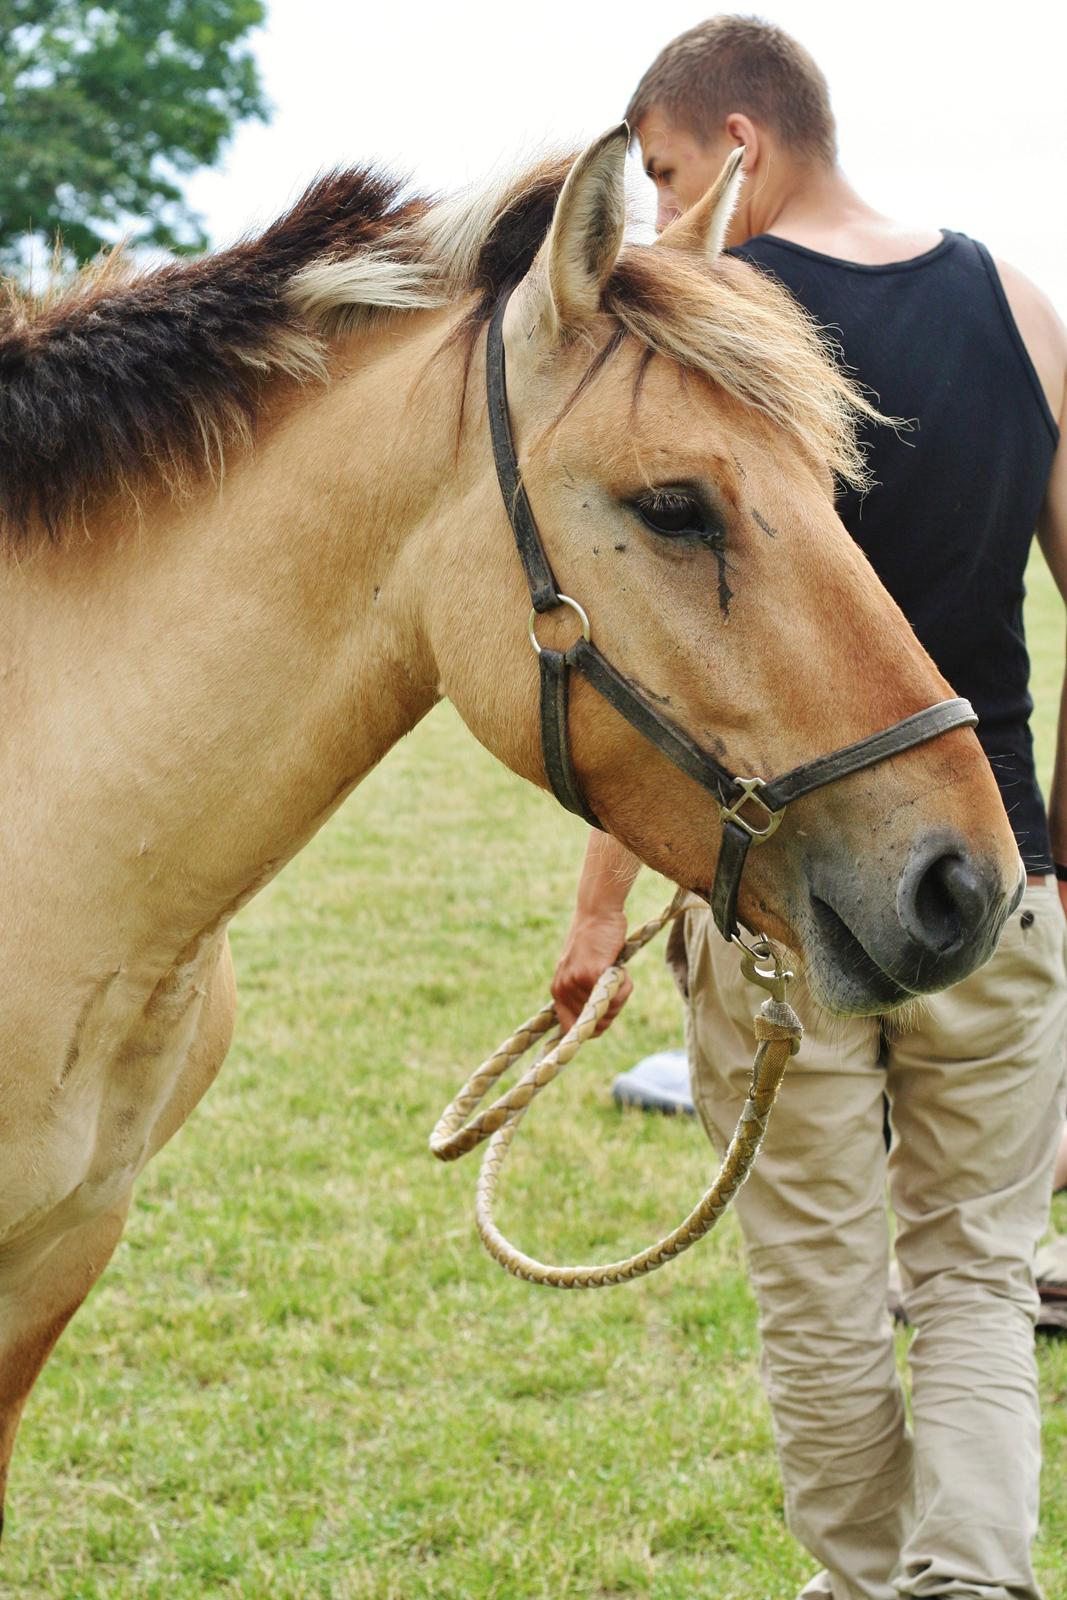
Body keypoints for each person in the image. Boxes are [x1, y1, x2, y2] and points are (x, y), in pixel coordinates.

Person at [552, 17, 1067, 1599]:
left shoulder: (719, 333)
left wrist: (590, 915)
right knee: (980, 1277)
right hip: (996, 880)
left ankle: (865, 1583)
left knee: (823, 1294)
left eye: (657, 173)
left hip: (781, 901)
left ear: (739, 146)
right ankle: (966, 1581)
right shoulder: (1023, 307)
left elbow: (683, 654)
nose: (654, 219)